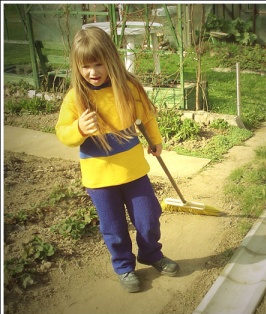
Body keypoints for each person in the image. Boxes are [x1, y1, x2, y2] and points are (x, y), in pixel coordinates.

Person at [55, 26, 179, 293]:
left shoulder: (129, 87)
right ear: (77, 67)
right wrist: (78, 129)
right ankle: (124, 266)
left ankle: (151, 253)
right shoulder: (76, 98)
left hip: (134, 171)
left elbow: (146, 117)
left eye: (98, 64)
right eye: (85, 66)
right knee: (113, 227)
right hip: (99, 179)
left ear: (111, 59)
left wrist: (155, 141)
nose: (93, 72)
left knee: (149, 217)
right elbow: (62, 133)